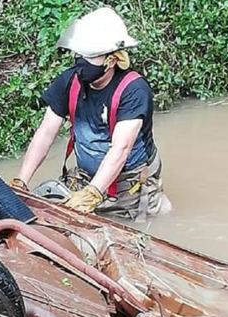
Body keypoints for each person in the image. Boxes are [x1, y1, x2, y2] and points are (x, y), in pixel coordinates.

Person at [12, 7, 171, 220]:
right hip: (85, 177)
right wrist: (21, 182)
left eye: (90, 56)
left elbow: (121, 149)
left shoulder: (134, 91)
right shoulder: (70, 82)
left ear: (112, 60)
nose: (81, 61)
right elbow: (46, 132)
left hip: (129, 189)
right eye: (79, 54)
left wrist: (93, 193)